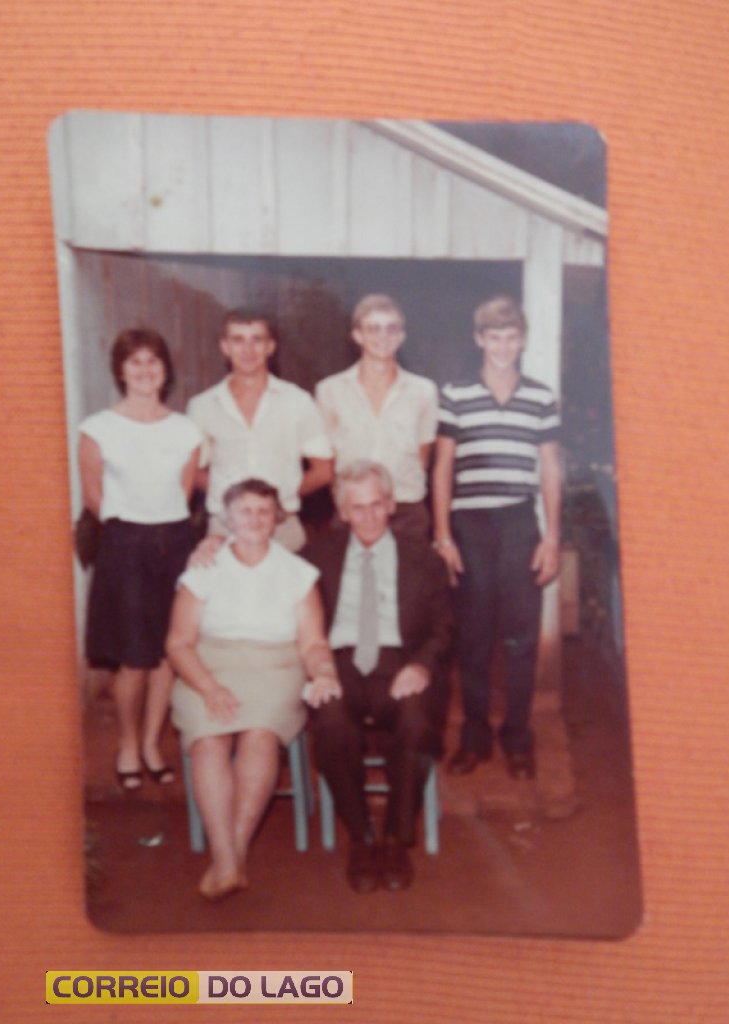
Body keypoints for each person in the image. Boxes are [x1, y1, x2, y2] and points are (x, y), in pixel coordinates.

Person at [166, 479, 340, 901]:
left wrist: (324, 671)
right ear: (226, 519)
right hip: (207, 664)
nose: (255, 520)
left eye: (264, 511)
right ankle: (229, 860)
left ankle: (229, 858)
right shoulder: (203, 569)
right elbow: (177, 644)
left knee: (259, 737)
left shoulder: (297, 572)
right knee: (209, 743)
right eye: (245, 511)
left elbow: (313, 643)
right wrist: (208, 687)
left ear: (278, 517)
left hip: (275, 665)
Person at [302, 461, 453, 893]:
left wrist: (422, 665)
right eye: (357, 508)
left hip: (401, 662)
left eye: (376, 505)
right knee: (330, 723)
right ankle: (361, 835)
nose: (367, 517)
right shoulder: (315, 556)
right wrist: (215, 542)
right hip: (340, 664)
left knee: (416, 719)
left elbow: (446, 627)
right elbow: (262, 569)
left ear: (390, 505)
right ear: (342, 511)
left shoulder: (424, 560)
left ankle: (395, 837)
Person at [432, 295, 562, 780]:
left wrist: (550, 538)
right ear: (479, 339)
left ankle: (518, 738)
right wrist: (443, 535)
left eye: (512, 337)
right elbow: (443, 464)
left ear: (522, 340)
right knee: (474, 636)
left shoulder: (540, 397)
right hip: (470, 524)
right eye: (494, 337)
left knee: (521, 639)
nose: (503, 346)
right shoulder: (456, 393)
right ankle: (474, 737)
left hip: (518, 523)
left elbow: (549, 468)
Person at [78, 327, 202, 790]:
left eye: (153, 361)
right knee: (133, 659)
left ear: (165, 370)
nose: (145, 370)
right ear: (121, 371)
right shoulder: (97, 429)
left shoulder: (186, 429)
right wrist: (133, 534)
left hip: (174, 542)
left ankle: (153, 742)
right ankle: (128, 744)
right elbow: (94, 498)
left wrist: (164, 533)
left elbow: (183, 494)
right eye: (135, 362)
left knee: (170, 654)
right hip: (124, 545)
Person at [187, 307, 333, 552]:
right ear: (225, 347)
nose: (248, 350)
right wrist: (230, 500)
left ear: (270, 347)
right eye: (238, 340)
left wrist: (280, 500)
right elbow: (193, 471)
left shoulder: (298, 401)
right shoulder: (202, 406)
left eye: (257, 340)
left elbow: (324, 471)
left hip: (283, 529)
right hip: (225, 530)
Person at [316, 294, 438, 543]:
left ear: (402, 336)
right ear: (358, 335)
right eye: (373, 329)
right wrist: (345, 505)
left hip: (406, 511)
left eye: (391, 329)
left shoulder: (424, 390)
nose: (383, 337)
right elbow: (327, 461)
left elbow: (422, 458)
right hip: (353, 511)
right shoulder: (330, 390)